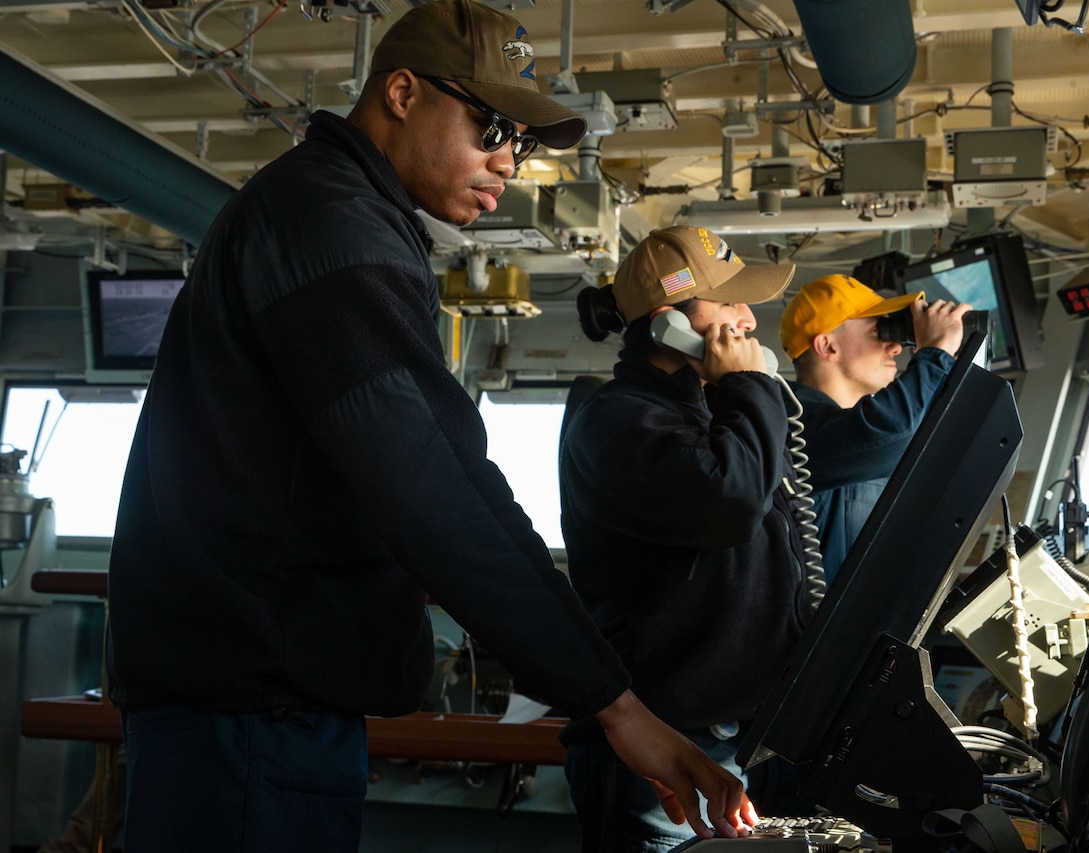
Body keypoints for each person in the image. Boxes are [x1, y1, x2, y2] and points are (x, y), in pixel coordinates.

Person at [103, 3, 754, 851]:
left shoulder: (332, 213)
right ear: (402, 93)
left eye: (519, 142)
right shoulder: (332, 224)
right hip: (252, 716)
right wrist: (614, 704)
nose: (507, 162)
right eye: (492, 127)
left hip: (256, 703)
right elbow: (436, 481)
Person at [560, 225, 820, 852]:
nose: (747, 318)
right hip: (664, 747)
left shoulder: (707, 416)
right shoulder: (617, 419)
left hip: (743, 735)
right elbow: (727, 504)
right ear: (668, 320)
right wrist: (749, 387)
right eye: (729, 301)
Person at [778, 274, 971, 580]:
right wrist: (936, 354)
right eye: (878, 331)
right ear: (827, 346)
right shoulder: (788, 425)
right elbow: (891, 430)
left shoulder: (866, 433)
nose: (895, 347)